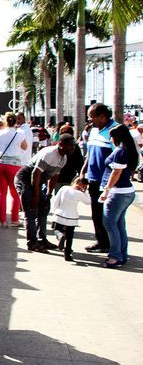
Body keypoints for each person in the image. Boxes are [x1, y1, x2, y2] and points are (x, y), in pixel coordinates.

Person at [15, 134, 76, 252]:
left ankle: (42, 239)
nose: (73, 148)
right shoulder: (49, 154)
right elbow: (35, 174)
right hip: (26, 179)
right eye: (70, 146)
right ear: (61, 144)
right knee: (31, 212)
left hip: (37, 182)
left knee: (43, 210)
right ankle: (32, 242)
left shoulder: (63, 158)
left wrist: (48, 195)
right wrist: (36, 195)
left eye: (74, 146)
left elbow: (54, 177)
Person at [99, 124, 139, 268]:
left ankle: (115, 256)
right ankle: (122, 254)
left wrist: (106, 190)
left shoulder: (120, 151)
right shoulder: (130, 150)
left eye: (111, 136)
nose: (110, 139)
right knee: (119, 224)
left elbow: (116, 173)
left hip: (118, 193)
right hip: (127, 192)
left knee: (110, 223)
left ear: (117, 137)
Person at [80, 103, 117, 253]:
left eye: (91, 116)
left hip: (107, 182)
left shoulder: (115, 131)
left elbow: (119, 158)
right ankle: (101, 242)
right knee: (96, 214)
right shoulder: (94, 131)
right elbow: (89, 154)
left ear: (102, 117)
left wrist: (110, 183)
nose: (89, 120)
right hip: (93, 179)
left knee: (108, 216)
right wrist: (83, 172)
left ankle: (112, 246)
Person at [0, 113, 29, 229]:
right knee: (15, 193)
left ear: (5, 121)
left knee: (1, 193)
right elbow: (25, 147)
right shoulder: (20, 134)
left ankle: (3, 221)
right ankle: (14, 219)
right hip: (15, 166)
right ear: (15, 122)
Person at [51, 177, 91, 262]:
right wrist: (86, 192)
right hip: (72, 217)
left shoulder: (64, 188)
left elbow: (56, 200)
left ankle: (60, 236)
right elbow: (88, 202)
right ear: (83, 185)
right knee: (69, 236)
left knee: (56, 229)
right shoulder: (79, 194)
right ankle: (67, 254)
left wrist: (55, 211)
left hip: (60, 214)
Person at [54, 125, 84, 193]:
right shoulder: (75, 147)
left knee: (59, 198)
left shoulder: (57, 146)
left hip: (58, 177)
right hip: (70, 177)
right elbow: (80, 163)